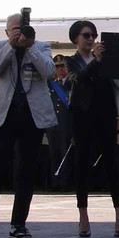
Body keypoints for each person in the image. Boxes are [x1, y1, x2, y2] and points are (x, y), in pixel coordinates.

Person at [0, 13, 56, 238]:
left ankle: (19, 224)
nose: (18, 33)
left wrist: (29, 48)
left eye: (22, 28)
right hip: (4, 117)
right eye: (14, 30)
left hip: (31, 117)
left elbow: (49, 72)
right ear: (7, 32)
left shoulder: (41, 47)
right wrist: (10, 45)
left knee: (25, 172)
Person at [66, 20, 119, 238]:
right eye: (86, 35)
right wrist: (95, 60)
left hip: (105, 113)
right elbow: (79, 80)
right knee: (82, 163)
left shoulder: (104, 58)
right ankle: (83, 215)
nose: (91, 38)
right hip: (82, 116)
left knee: (112, 162)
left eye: (93, 35)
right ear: (75, 38)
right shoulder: (72, 61)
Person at [45, 54, 73, 190]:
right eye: (58, 67)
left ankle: (65, 181)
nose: (61, 69)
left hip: (66, 124)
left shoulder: (72, 83)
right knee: (53, 153)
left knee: (65, 153)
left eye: (63, 66)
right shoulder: (51, 85)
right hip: (52, 124)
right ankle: (54, 181)